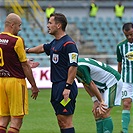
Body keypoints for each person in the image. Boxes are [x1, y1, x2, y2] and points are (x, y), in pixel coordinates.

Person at [26, 13, 79, 133]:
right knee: (61, 121)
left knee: (66, 121)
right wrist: (26, 50)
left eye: (50, 23)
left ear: (58, 25)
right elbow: (43, 48)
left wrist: (67, 87)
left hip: (65, 86)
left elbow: (73, 66)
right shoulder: (55, 42)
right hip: (56, 86)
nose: (48, 25)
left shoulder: (69, 44)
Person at [0, 13, 39, 133]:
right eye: (19, 25)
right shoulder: (16, 40)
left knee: (2, 119)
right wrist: (33, 85)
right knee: (16, 120)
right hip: (15, 82)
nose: (20, 28)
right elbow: (24, 65)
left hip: (1, 81)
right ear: (12, 25)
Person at [76, 58, 123, 133]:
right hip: (102, 85)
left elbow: (91, 83)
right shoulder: (74, 66)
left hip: (113, 81)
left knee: (104, 111)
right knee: (97, 113)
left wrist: (101, 101)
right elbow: (85, 83)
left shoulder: (79, 67)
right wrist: (95, 101)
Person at [116, 22, 133, 133]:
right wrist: (118, 79)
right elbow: (120, 64)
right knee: (126, 103)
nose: (129, 37)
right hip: (127, 80)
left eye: (131, 34)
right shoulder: (120, 46)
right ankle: (125, 131)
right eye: (127, 35)